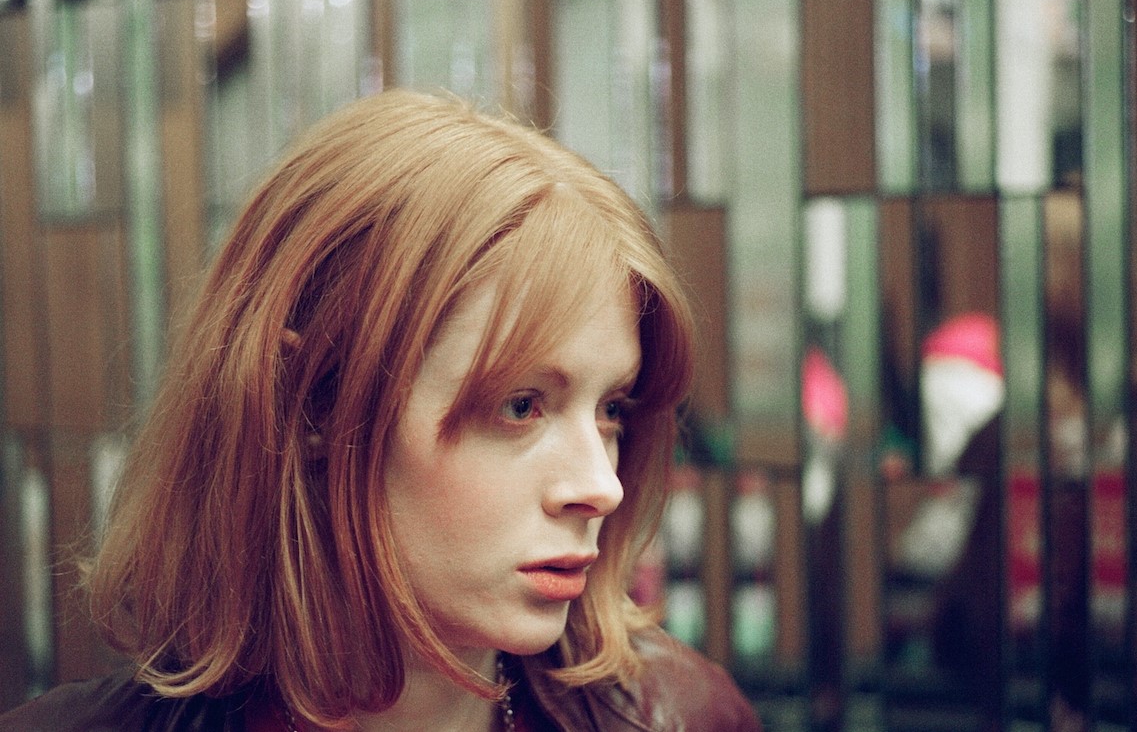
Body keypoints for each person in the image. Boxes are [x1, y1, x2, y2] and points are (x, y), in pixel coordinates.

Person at [0, 90, 760, 731]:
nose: (601, 486)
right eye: (521, 405)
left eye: (611, 409)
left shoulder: (681, 716)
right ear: (313, 402)